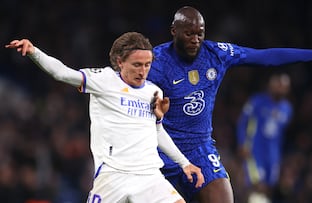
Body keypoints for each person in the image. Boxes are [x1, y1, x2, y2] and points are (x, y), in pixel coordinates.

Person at [146, 6, 312, 203]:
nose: (195, 40)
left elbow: (266, 56)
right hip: (162, 151)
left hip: (200, 148)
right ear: (174, 31)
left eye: (200, 33)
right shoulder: (156, 62)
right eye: (188, 34)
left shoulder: (216, 54)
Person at [5, 32, 205, 203]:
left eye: (147, 64)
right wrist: (33, 52)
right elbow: (62, 73)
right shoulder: (104, 80)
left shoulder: (155, 92)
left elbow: (157, 132)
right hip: (113, 176)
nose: (143, 71)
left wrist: (184, 162)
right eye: (136, 64)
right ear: (120, 62)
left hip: (149, 176)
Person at [236, 73, 292, 203]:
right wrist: (242, 142)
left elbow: (281, 134)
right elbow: (243, 122)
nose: (281, 88)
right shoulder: (257, 101)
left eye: (284, 86)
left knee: (269, 186)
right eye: (278, 85)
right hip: (254, 150)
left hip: (273, 153)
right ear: (271, 85)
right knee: (256, 185)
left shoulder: (287, 109)